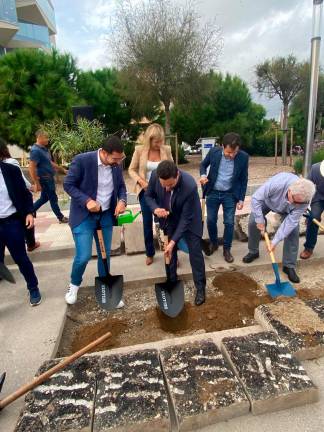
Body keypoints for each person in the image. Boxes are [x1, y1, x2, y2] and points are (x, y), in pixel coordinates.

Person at [63, 135, 127, 305]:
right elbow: (68, 184)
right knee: (83, 256)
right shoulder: (82, 161)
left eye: (120, 158)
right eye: (115, 158)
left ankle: (106, 288)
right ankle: (74, 285)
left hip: (105, 215)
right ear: (104, 153)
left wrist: (122, 201)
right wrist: (87, 200)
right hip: (84, 216)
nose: (118, 162)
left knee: (104, 254)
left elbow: (121, 187)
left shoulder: (115, 165)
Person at [145, 160, 206, 306]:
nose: (166, 189)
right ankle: (171, 282)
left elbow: (185, 219)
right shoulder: (155, 175)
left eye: (170, 185)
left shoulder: (189, 186)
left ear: (177, 175)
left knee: (195, 253)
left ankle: (201, 288)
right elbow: (148, 196)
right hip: (168, 218)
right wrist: (155, 209)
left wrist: (173, 242)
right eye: (163, 185)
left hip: (190, 220)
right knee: (169, 253)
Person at [242, 173, 316, 283]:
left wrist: (274, 242)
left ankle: (289, 265)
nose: (297, 205)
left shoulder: (304, 200)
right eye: (295, 201)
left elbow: (290, 223)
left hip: (287, 210)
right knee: (253, 222)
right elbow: (256, 198)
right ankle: (253, 251)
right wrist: (259, 220)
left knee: (293, 230)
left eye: (300, 204)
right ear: (290, 191)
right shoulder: (277, 184)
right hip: (268, 202)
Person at [200, 132, 249, 263]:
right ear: (222, 146)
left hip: (230, 194)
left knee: (229, 222)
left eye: (235, 152)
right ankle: (214, 243)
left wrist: (241, 199)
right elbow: (203, 165)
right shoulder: (214, 152)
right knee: (211, 220)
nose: (232, 155)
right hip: (213, 192)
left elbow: (244, 179)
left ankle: (227, 249)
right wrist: (203, 176)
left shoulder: (243, 157)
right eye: (228, 152)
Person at [129, 124, 173, 265]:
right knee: (147, 223)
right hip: (146, 192)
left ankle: (170, 251)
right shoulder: (140, 150)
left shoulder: (166, 150)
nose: (159, 144)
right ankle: (150, 253)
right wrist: (141, 181)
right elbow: (131, 170)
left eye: (161, 141)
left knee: (166, 222)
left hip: (164, 191)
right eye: (156, 141)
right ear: (149, 139)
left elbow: (173, 169)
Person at [0, 159, 42, 306]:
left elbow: (25, 195)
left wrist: (29, 213)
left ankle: (33, 288)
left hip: (11, 222)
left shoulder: (11, 170)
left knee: (21, 258)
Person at [0, 138, 40, 252]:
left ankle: (31, 243)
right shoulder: (11, 162)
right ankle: (31, 243)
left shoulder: (10, 165)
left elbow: (20, 181)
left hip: (11, 214)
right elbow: (22, 181)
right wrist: (30, 187)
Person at [29, 130, 68, 223]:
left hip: (49, 178)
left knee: (44, 198)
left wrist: (62, 169)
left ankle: (29, 211)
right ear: (40, 137)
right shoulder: (35, 151)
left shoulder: (43, 149)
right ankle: (60, 217)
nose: (48, 139)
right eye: (46, 137)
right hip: (45, 179)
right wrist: (36, 183)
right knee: (53, 198)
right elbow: (31, 167)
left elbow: (49, 162)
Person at [300, 160, 324, 259]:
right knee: (313, 217)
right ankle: (309, 248)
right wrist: (306, 206)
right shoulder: (315, 168)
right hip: (319, 197)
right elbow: (307, 188)